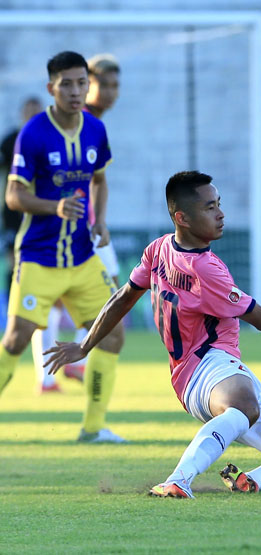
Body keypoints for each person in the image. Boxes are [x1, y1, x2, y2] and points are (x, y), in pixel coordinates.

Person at [44, 170, 261, 498]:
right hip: (209, 365)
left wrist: (85, 346)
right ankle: (179, 479)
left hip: (197, 378)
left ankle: (253, 481)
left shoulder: (157, 250)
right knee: (244, 403)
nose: (221, 214)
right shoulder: (204, 269)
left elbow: (123, 297)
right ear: (182, 217)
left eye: (219, 204)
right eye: (210, 207)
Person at [0, 51, 125, 442]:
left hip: (82, 256)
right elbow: (13, 196)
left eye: (80, 83)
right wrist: (53, 205)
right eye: (66, 83)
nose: (75, 91)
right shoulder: (34, 133)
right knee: (17, 340)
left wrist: (100, 220)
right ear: (51, 87)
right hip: (39, 257)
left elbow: (100, 180)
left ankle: (93, 427)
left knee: (113, 334)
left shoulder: (95, 131)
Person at [31, 54, 123, 392]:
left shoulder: (94, 124)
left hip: (90, 226)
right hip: (68, 227)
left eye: (116, 86)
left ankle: (62, 370)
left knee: (110, 297)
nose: (112, 93)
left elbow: (97, 180)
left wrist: (100, 219)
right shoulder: (74, 119)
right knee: (109, 297)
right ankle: (58, 371)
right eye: (104, 85)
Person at [1, 97, 42, 298]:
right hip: (14, 211)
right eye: (29, 110)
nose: (33, 113)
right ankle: (11, 307)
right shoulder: (11, 141)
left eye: (37, 110)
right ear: (22, 113)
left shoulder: (48, 139)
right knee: (14, 261)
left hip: (42, 209)